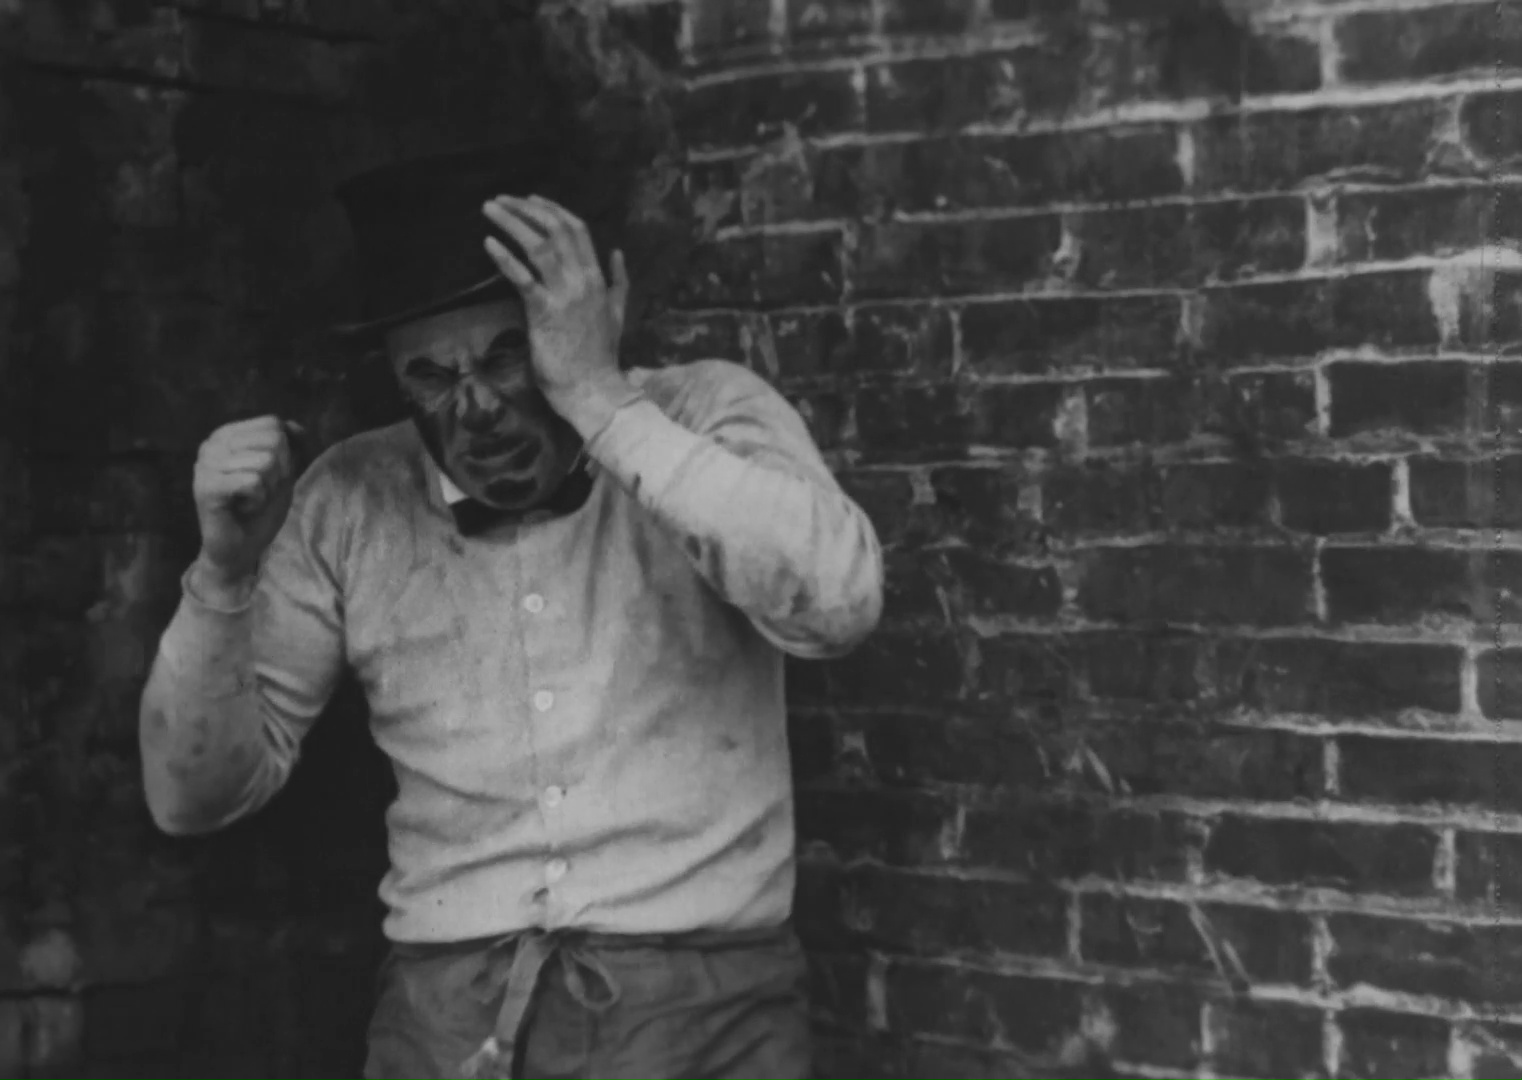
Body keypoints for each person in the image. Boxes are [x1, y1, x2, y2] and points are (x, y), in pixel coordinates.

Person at [136, 139, 884, 1080]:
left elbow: (839, 605)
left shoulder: (704, 415)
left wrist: (599, 399)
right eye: (431, 377)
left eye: (510, 354)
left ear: (588, 315)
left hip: (703, 1022)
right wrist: (223, 573)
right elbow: (190, 798)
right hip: (443, 1027)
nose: (477, 408)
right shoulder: (348, 497)